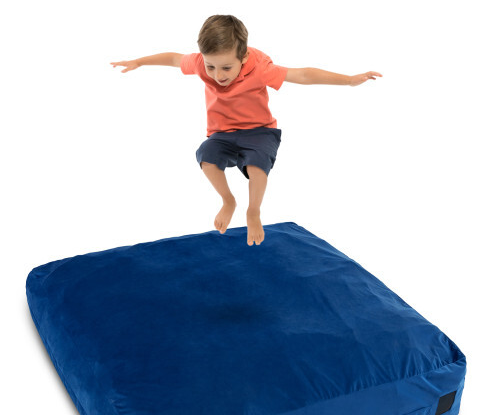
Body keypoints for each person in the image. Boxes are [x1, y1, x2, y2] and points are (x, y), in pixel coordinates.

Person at [111, 15, 382, 246]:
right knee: (206, 156)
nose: (218, 75)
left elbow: (303, 75)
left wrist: (349, 80)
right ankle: (228, 200)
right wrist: (139, 61)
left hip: (259, 131)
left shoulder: (260, 68)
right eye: (211, 66)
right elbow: (173, 58)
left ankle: (253, 211)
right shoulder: (200, 64)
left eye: (226, 67)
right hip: (221, 133)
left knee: (256, 165)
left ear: (243, 56)